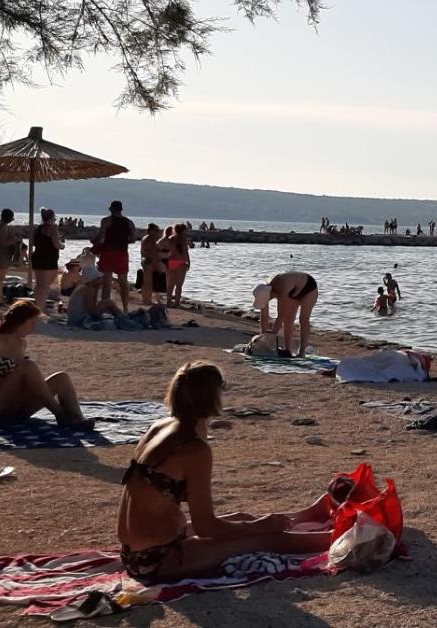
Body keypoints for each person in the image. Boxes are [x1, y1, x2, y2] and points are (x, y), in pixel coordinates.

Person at [116, 361, 333, 583]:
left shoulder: (160, 427)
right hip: (158, 560)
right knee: (266, 540)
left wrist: (253, 524)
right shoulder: (193, 448)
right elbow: (206, 526)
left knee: (243, 518)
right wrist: (257, 527)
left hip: (135, 551)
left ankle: (304, 516)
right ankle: (336, 537)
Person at [0, 300, 93, 428]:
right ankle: (60, 414)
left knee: (61, 378)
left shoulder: (20, 343)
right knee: (27, 366)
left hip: (17, 405)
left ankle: (77, 418)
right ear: (20, 322)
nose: (33, 328)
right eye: (32, 323)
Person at [253, 272, 318, 357]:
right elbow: (264, 317)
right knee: (288, 320)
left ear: (270, 294)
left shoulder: (281, 290)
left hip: (308, 287)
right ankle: (288, 350)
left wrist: (272, 336)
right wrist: (263, 337)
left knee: (303, 319)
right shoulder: (262, 291)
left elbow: (281, 315)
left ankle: (302, 351)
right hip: (293, 289)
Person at [93, 201, 136, 313]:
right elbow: (133, 239)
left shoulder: (106, 220)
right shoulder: (129, 222)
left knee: (107, 281)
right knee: (123, 281)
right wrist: (123, 241)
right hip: (122, 252)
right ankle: (125, 307)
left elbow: (101, 236)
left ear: (111, 209)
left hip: (108, 252)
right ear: (121, 209)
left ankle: (105, 306)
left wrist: (94, 242)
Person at [31, 208, 64, 311]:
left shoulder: (37, 229)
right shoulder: (52, 229)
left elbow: (32, 242)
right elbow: (57, 244)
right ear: (52, 218)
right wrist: (62, 245)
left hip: (38, 257)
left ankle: (37, 305)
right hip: (49, 258)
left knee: (39, 284)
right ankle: (40, 308)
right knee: (45, 285)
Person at [164, 224, 191, 308]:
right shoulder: (183, 239)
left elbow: (167, 249)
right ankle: (176, 303)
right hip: (181, 262)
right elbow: (185, 252)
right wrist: (188, 262)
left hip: (172, 261)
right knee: (179, 285)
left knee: (170, 284)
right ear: (183, 231)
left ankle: (168, 302)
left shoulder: (171, 238)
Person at [140, 223, 163, 305]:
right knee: (148, 283)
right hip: (148, 261)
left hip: (147, 261)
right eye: (156, 231)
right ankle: (147, 300)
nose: (158, 232)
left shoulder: (149, 239)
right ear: (151, 231)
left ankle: (146, 299)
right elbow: (151, 253)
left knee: (148, 282)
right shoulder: (149, 239)